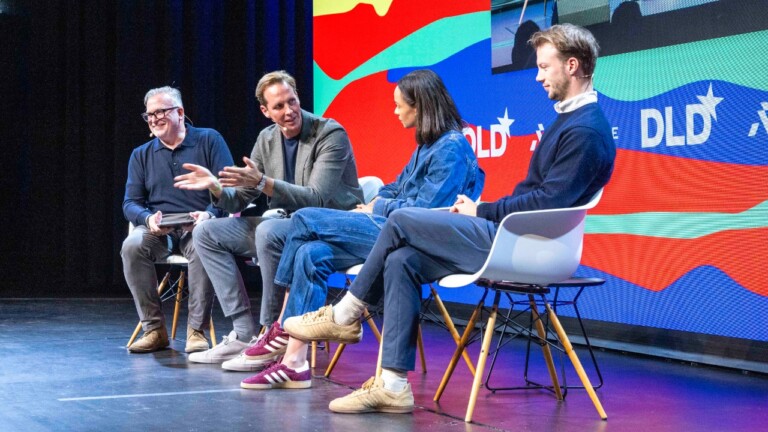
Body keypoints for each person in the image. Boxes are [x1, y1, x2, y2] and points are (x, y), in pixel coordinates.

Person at [284, 23, 616, 413]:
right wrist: (481, 212)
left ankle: (346, 312)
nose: (539, 76)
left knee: (403, 220)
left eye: (545, 67)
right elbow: (535, 196)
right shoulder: (569, 122)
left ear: (572, 66)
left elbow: (547, 202)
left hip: (530, 246)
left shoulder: (586, 130)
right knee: (402, 259)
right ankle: (392, 385)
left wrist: (481, 210)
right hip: (514, 235)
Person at [225, 70, 486, 387]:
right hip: (392, 229)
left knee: (306, 218)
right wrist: (381, 201)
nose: (395, 111)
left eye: (399, 104)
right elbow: (393, 188)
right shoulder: (427, 146)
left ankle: (281, 325)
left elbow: (427, 212)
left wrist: (378, 206)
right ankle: (294, 364)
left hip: (412, 238)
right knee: (310, 252)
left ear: (420, 106)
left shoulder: (452, 147)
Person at [172, 70, 363, 364]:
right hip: (288, 226)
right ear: (265, 111)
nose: (289, 111)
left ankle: (272, 331)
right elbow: (242, 196)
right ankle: (244, 332)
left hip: (330, 227)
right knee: (206, 233)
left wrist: (263, 182)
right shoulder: (267, 138)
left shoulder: (329, 133)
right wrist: (216, 187)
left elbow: (318, 198)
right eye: (278, 106)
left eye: (292, 101)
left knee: (269, 230)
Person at [122, 86, 235, 353]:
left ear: (180, 112)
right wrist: (148, 219)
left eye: (161, 111)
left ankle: (196, 330)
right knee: (132, 245)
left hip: (200, 224)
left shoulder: (209, 140)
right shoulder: (141, 154)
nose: (154, 119)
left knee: (203, 242)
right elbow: (130, 203)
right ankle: (154, 330)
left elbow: (230, 189)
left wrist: (209, 214)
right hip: (159, 228)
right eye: (149, 114)